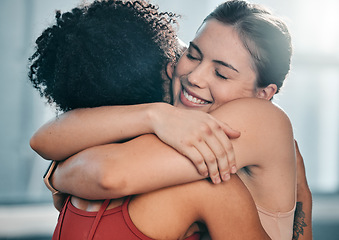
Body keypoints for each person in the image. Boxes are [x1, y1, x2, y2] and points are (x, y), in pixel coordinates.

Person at [30, 0, 313, 239]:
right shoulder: (178, 125)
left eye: (222, 74)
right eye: (192, 55)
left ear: (264, 93)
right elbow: (43, 139)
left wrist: (58, 173)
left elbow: (109, 174)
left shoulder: (257, 116)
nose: (195, 77)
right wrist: (154, 114)